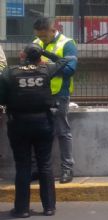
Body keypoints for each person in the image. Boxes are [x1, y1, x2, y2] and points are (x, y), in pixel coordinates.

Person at [0, 44, 73, 217]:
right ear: (39, 57)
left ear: (22, 56)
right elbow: (66, 60)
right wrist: (44, 52)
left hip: (18, 123)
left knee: (23, 165)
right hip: (43, 123)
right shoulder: (46, 69)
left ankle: (22, 209)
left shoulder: (9, 73)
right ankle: (49, 207)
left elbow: (1, 98)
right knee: (45, 165)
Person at [33, 17, 78, 184]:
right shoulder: (36, 42)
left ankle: (67, 169)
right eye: (39, 36)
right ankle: (38, 169)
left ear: (53, 30)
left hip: (59, 93)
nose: (42, 40)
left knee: (62, 131)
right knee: (38, 132)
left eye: (44, 36)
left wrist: (45, 66)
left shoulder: (67, 44)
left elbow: (70, 69)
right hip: (39, 93)